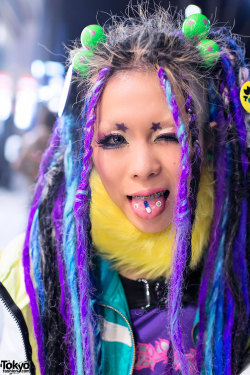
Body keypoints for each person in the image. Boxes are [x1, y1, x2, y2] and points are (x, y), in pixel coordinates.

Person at [1, 5, 250, 375]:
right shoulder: (28, 279)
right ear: (85, 150)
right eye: (114, 139)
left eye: (169, 135)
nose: (143, 167)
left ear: (209, 139)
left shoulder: (240, 261)